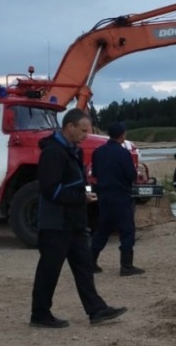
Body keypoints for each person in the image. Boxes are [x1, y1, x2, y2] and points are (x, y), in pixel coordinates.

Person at [30, 108, 127, 328]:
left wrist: (88, 191)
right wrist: (81, 197)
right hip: (55, 224)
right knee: (49, 270)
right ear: (69, 127)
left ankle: (97, 310)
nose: (86, 135)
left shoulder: (75, 151)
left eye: (88, 131)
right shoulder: (53, 152)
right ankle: (39, 314)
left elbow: (79, 181)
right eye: (83, 130)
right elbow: (50, 190)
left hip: (75, 222)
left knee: (84, 267)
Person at [90, 122, 145, 276]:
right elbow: (131, 175)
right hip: (121, 196)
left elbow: (94, 173)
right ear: (122, 135)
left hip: (104, 197)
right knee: (127, 230)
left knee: (102, 229)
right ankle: (126, 266)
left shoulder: (98, 152)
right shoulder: (123, 154)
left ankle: (91, 262)